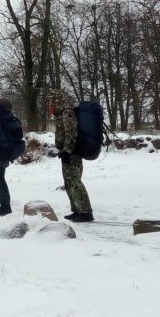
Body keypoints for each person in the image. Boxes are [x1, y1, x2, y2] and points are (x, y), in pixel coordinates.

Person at [54, 91, 93, 222]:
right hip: (67, 153)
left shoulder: (67, 113)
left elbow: (71, 133)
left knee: (75, 182)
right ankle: (77, 210)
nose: (50, 104)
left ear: (57, 100)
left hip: (72, 154)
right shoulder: (61, 114)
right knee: (69, 182)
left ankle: (85, 212)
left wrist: (67, 151)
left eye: (51, 101)